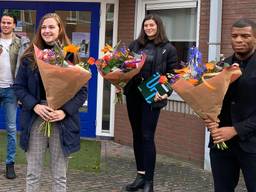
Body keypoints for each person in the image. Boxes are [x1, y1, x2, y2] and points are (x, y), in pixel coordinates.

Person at [13, 13, 87, 192]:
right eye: (44, 27)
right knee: (32, 173)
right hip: (36, 119)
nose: (47, 31)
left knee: (60, 176)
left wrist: (64, 111)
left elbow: (82, 91)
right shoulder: (30, 54)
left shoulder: (70, 54)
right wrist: (36, 106)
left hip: (61, 120)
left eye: (51, 27)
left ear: (60, 29)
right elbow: (19, 87)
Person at [124, 14, 178, 192]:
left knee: (147, 136)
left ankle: (149, 181)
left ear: (158, 27)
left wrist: (164, 92)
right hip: (134, 95)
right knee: (137, 136)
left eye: (151, 25)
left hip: (152, 97)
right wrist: (120, 82)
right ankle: (140, 176)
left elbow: (173, 74)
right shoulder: (135, 45)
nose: (148, 28)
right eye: (146, 25)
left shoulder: (168, 48)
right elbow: (125, 67)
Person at [204, 18, 256, 192]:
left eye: (245, 36)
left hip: (252, 144)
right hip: (221, 144)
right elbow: (209, 102)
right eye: (234, 36)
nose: (239, 40)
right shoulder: (220, 67)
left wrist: (235, 130)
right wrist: (208, 118)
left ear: (255, 38)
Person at [0, 12, 30, 179]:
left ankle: (10, 163)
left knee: (11, 128)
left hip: (11, 89)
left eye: (8, 23)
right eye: (3, 22)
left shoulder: (21, 43)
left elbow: (25, 66)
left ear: (14, 25)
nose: (5, 25)